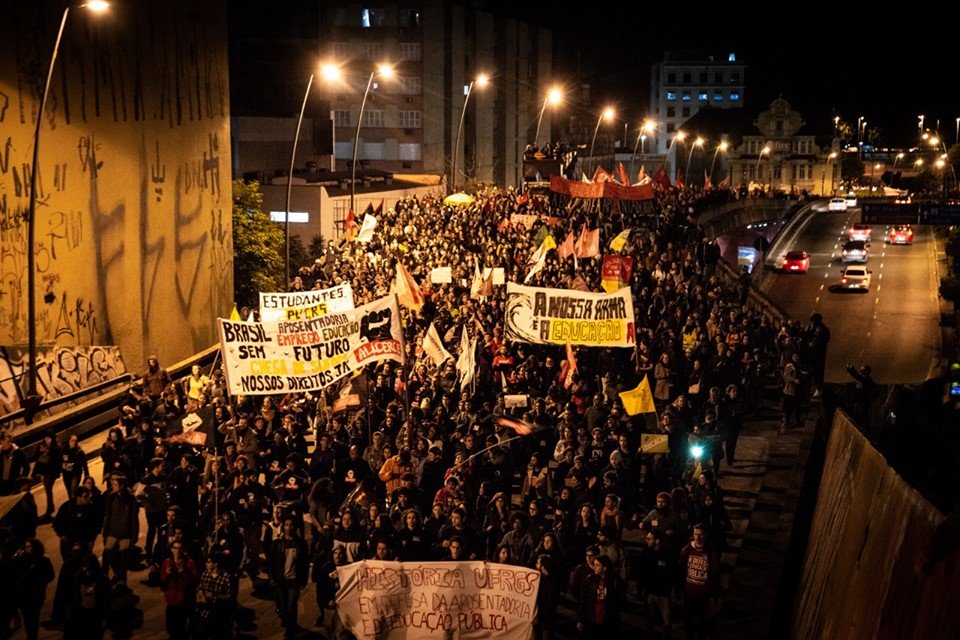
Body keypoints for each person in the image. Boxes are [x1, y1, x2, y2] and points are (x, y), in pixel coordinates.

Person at [268, 515, 310, 638]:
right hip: (281, 580)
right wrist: (272, 577)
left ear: (295, 527)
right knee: (283, 606)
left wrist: (304, 579)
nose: (289, 527)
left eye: (291, 525)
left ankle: (290, 629)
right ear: (283, 526)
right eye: (286, 525)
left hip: (294, 580)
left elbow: (305, 563)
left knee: (291, 606)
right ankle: (288, 623)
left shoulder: (301, 544)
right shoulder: (277, 543)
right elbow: (271, 562)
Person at [678, 524, 720, 640]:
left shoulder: (710, 552)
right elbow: (681, 570)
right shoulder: (686, 550)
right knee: (688, 621)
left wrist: (714, 595)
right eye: (695, 534)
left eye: (700, 534)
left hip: (703, 594)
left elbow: (715, 574)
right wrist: (679, 589)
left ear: (705, 536)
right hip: (688, 593)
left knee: (702, 622)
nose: (697, 537)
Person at [101, 474, 139, 587]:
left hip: (125, 533)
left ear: (122, 485)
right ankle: (116, 576)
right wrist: (105, 532)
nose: (113, 486)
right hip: (112, 532)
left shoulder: (131, 499)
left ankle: (122, 582)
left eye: (115, 484)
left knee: (123, 561)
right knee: (109, 555)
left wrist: (134, 535)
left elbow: (134, 519)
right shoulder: (111, 497)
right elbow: (108, 516)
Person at [15, 538, 55, 640]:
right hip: (23, 595)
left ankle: (32, 636)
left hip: (37, 595)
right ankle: (31, 635)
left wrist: (41, 582)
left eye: (29, 547)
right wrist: (16, 558)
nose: (26, 549)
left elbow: (51, 575)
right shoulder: (22, 560)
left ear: (36, 548)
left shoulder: (44, 560)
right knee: (27, 618)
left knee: (33, 617)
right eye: (25, 547)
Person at [62, 554, 109, 640]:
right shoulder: (78, 579)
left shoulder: (102, 579)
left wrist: (104, 617)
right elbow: (71, 597)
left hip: (95, 614)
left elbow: (105, 599)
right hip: (81, 613)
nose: (87, 572)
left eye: (89, 569)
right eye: (85, 569)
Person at [159, 538, 198, 638]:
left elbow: (194, 582)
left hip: (183, 600)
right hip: (171, 600)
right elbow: (162, 582)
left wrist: (184, 573)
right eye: (175, 548)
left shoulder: (189, 563)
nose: (177, 551)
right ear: (171, 549)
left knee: (181, 629)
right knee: (171, 628)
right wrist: (167, 574)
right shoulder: (167, 563)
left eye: (180, 548)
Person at [577, 554, 622, 640]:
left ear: (604, 568)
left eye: (597, 565)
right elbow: (583, 600)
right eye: (594, 564)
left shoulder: (615, 581)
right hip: (592, 620)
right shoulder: (590, 580)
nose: (594, 567)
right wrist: (580, 619)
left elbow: (618, 601)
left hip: (608, 621)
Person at [31, 429, 61, 521]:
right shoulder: (41, 444)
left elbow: (57, 457)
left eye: (49, 438)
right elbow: (35, 457)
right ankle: (50, 508)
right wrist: (41, 451)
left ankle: (49, 510)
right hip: (44, 471)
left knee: (48, 489)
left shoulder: (56, 446)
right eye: (46, 438)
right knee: (47, 490)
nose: (47, 440)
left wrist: (48, 451)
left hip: (52, 472)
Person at [0, 431, 30, 496]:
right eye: (6, 438)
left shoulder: (17, 452)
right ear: (1, 441)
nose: (8, 440)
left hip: (14, 485)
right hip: (1, 488)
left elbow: (26, 467)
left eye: (9, 438)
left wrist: (21, 482)